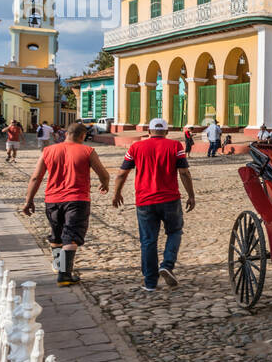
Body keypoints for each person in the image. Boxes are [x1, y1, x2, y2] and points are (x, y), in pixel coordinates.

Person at [112, 117, 196, 293]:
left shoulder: (136, 147)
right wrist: (191, 195)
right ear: (166, 132)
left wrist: (117, 193)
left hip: (144, 201)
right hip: (170, 199)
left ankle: (150, 282)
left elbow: (121, 173)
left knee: (148, 240)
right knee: (174, 232)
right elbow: (184, 172)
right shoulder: (175, 147)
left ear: (149, 132)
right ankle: (167, 265)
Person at [22, 122, 110, 286]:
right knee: (71, 236)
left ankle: (58, 266)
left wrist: (29, 200)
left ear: (66, 134)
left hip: (52, 200)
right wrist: (105, 183)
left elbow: (36, 177)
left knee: (56, 234)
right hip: (77, 200)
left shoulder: (48, 151)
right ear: (83, 136)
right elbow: (103, 174)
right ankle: (64, 275)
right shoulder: (87, 151)